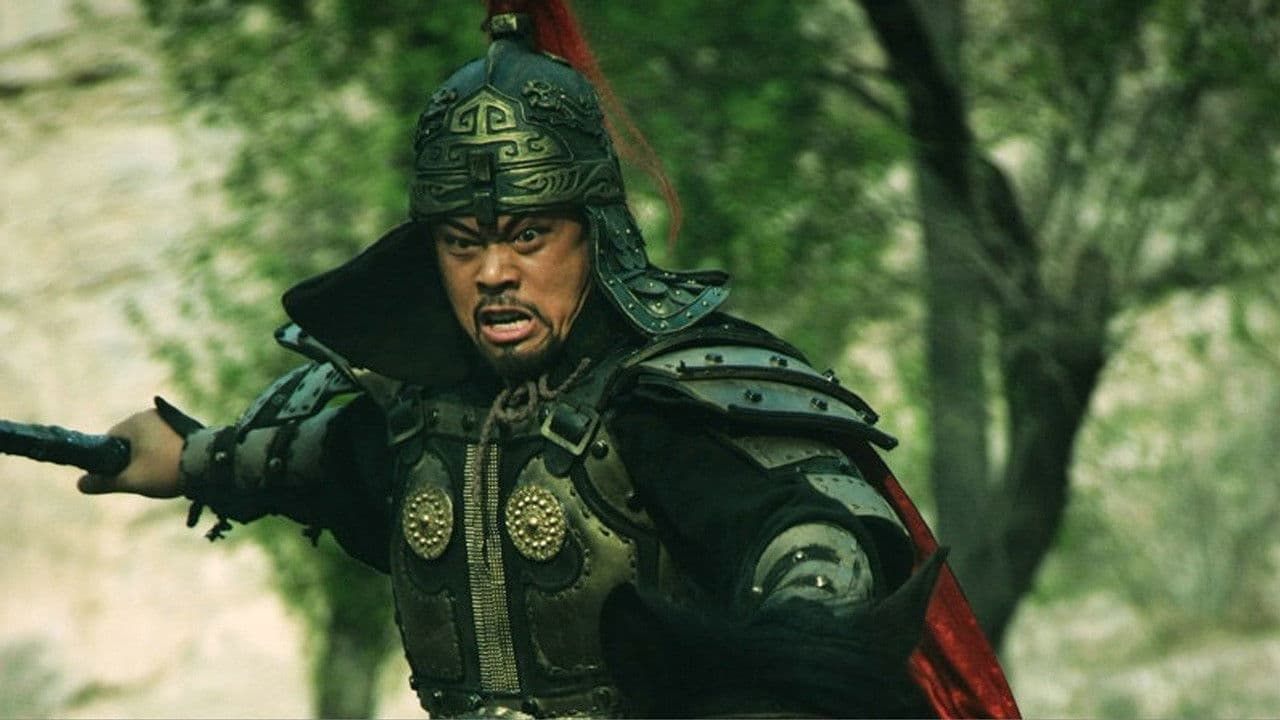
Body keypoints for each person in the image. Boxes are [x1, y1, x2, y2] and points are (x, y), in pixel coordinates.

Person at [77, 5, 1018, 718]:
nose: (494, 272)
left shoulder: (668, 403)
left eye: (528, 236)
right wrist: (186, 456)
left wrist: (798, 637)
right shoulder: (411, 416)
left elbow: (806, 534)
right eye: (463, 242)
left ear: (593, 236)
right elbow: (301, 461)